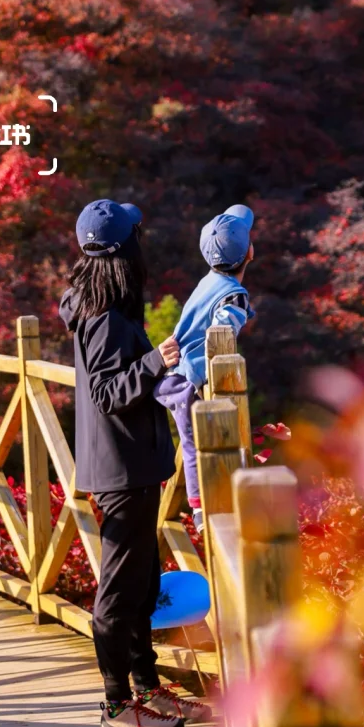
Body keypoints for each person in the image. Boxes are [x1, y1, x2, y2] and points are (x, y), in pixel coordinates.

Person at [60, 199, 212, 727]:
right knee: (119, 594)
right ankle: (115, 704)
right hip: (121, 469)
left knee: (143, 586)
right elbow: (106, 393)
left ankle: (147, 686)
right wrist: (157, 361)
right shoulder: (103, 318)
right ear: (127, 251)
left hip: (131, 465)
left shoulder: (100, 304)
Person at [154, 204, 256, 532]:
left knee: (199, 440)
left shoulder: (208, 281)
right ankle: (201, 511)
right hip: (185, 380)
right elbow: (221, 337)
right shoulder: (233, 297)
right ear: (249, 252)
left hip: (173, 375)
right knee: (196, 443)